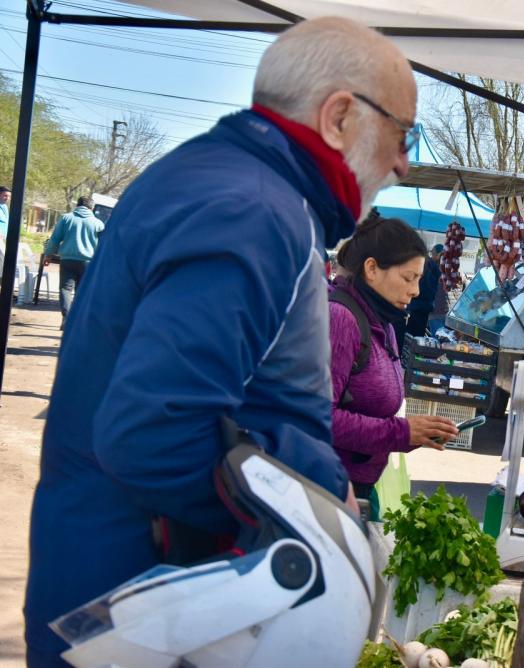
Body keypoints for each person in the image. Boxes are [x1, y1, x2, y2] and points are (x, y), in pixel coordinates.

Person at [24, 16, 417, 667]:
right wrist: (307, 510)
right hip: (144, 607)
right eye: (403, 134)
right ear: (340, 116)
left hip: (124, 587)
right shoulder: (253, 211)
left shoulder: (226, 181)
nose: (403, 162)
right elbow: (152, 435)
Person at [329, 218, 457, 520]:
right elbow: (319, 418)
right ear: (372, 269)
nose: (415, 291)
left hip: (358, 489)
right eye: (408, 278)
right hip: (328, 492)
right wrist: (401, 432)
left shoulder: (383, 322)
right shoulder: (341, 319)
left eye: (418, 280)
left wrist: (414, 435)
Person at [43, 196, 105, 321]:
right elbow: (103, 245)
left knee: (65, 289)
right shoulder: (98, 223)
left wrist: (48, 255)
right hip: (88, 262)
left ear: (77, 205)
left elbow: (55, 239)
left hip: (67, 260)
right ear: (92, 208)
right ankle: (75, 320)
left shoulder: (66, 218)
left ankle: (66, 317)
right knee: (81, 292)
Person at [405, 243, 444, 340]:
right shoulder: (434, 266)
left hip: (414, 306)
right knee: (418, 337)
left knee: (409, 338)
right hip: (426, 307)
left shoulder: (418, 263)